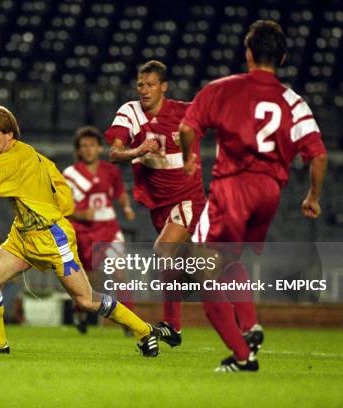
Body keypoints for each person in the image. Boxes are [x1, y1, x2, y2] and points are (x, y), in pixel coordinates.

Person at [0, 104, 159, 356]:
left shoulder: (10, 160)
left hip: (52, 239)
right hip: (23, 236)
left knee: (86, 300)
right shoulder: (35, 156)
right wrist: (51, 205)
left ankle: (144, 330)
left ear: (9, 135)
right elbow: (63, 191)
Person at [179, 20, 328, 372]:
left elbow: (188, 127)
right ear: (284, 57)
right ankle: (250, 323)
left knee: (200, 266)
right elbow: (318, 155)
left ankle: (242, 356)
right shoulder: (294, 101)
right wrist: (312, 196)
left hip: (234, 186)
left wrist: (188, 156)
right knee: (229, 260)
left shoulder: (224, 89)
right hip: (269, 193)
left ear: (247, 53)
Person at [105, 60, 207, 347]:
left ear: (164, 87)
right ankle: (174, 327)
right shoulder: (130, 112)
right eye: (140, 85)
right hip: (157, 201)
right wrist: (139, 149)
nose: (144, 90)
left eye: (151, 85)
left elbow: (221, 122)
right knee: (172, 261)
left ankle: (196, 282)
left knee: (164, 250)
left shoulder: (186, 112)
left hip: (189, 197)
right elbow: (114, 153)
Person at [62, 126, 135, 334]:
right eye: (84, 146)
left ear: (100, 148)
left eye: (92, 145)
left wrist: (127, 207)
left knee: (120, 273)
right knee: (89, 280)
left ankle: (129, 321)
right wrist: (81, 214)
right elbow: (61, 205)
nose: (88, 149)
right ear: (78, 150)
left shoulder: (110, 170)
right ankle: (80, 311)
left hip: (109, 229)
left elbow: (120, 192)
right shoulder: (69, 175)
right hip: (83, 232)